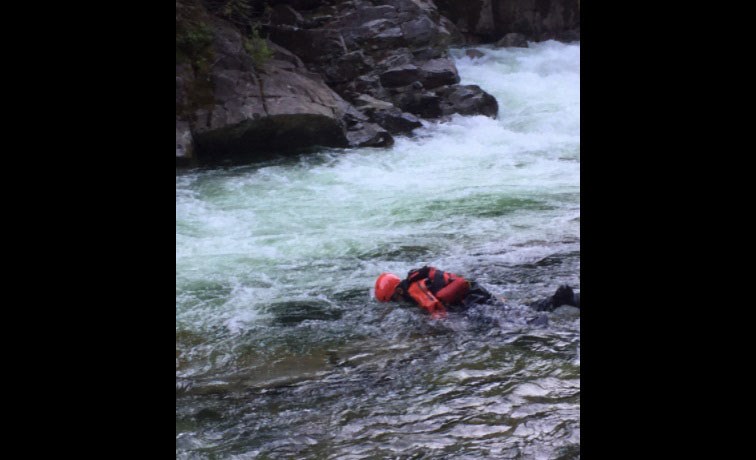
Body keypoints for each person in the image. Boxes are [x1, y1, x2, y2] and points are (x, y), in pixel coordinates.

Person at [374, 265, 579, 319]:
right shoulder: (419, 279)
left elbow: (436, 311)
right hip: (474, 292)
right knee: (512, 312)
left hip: (471, 300)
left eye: (394, 299)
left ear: (397, 290)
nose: (397, 302)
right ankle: (561, 299)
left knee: (513, 320)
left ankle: (558, 301)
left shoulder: (414, 289)